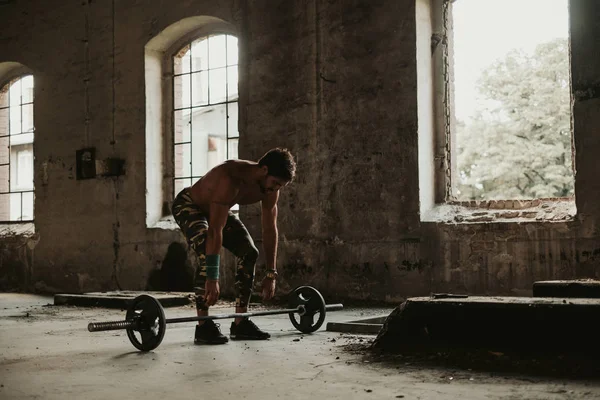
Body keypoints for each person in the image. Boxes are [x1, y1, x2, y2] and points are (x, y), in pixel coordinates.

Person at [172, 148, 296, 344]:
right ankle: (203, 326)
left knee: (249, 252)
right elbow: (214, 231)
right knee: (206, 247)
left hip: (218, 208)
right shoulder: (230, 179)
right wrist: (212, 277)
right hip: (190, 205)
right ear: (264, 170)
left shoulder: (270, 190)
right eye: (274, 184)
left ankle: (240, 323)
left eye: (280, 186)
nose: (275, 190)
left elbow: (270, 229)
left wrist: (271, 273)